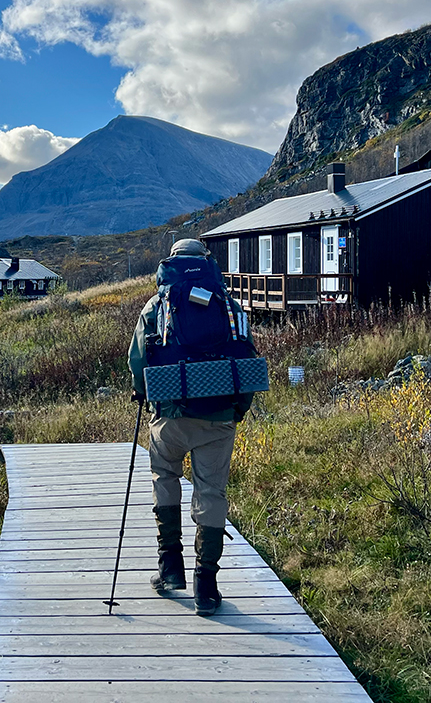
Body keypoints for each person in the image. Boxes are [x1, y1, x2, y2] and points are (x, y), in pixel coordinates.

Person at [128, 237, 254, 617]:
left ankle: (169, 570)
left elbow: (138, 360)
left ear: (172, 262)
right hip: (218, 418)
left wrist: (146, 396)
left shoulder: (157, 306)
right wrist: (237, 410)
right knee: (211, 493)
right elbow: (245, 360)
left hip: (170, 416)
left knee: (164, 477)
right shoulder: (230, 307)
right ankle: (206, 586)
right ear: (208, 263)